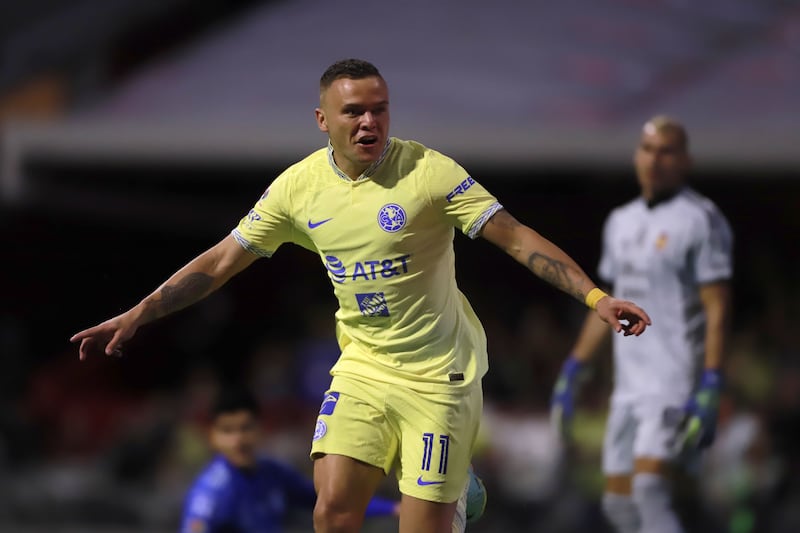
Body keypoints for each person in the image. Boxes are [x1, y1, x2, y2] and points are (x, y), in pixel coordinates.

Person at [71, 58, 651, 533]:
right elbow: (222, 262)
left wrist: (595, 298)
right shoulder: (298, 189)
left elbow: (516, 237)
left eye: (379, 109)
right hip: (364, 368)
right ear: (323, 120)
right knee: (332, 511)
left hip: (439, 374)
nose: (370, 122)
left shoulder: (428, 172)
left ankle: (454, 493)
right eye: (354, 111)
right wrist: (140, 313)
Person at [550, 116, 733, 533]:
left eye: (667, 151)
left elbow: (717, 305)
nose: (656, 160)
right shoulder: (621, 222)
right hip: (628, 385)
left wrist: (711, 380)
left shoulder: (701, 219)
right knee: (618, 504)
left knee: (649, 489)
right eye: (649, 149)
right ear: (638, 156)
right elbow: (608, 305)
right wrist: (573, 370)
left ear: (685, 160)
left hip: (673, 380)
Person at [180, 385, 398, 533]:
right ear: (212, 437)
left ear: (260, 428)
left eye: (245, 428)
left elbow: (330, 501)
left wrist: (392, 509)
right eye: (227, 431)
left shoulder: (271, 473)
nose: (238, 441)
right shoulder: (212, 495)